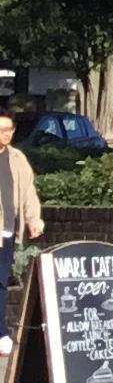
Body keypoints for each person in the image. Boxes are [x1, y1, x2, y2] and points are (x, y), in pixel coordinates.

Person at [0, 110, 46, 347]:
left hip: (7, 231)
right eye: (1, 130)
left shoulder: (17, 158)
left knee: (1, 281)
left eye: (9, 130)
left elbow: (28, 192)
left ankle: (0, 333)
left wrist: (33, 220)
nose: (5, 134)